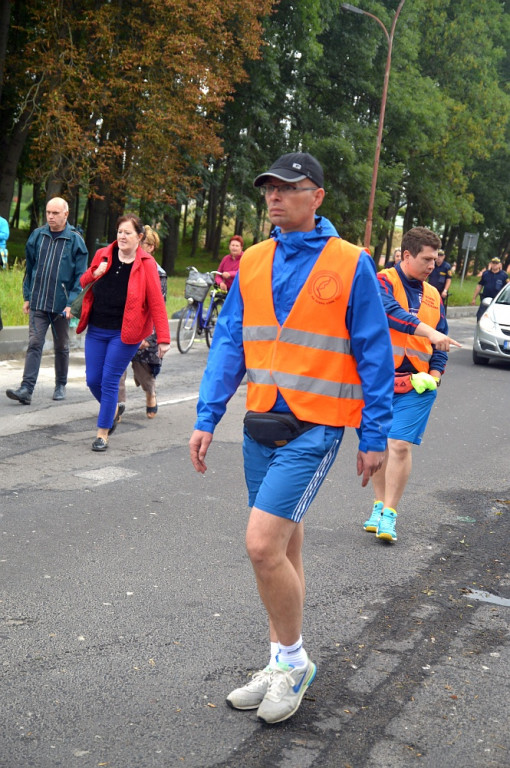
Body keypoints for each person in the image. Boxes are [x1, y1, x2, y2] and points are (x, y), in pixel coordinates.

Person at [189, 152, 394, 725]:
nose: (274, 197)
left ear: (317, 197)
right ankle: (280, 659)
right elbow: (231, 341)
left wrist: (372, 434)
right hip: (259, 423)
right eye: (268, 190)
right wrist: (207, 417)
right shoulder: (252, 261)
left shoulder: (350, 262)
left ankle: (294, 661)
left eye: (288, 188)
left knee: (261, 545)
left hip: (315, 426)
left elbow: (374, 354)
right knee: (285, 547)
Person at [363, 227, 461, 544]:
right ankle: (378, 506)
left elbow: (442, 340)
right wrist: (428, 333)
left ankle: (390, 514)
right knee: (377, 445)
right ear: (407, 255)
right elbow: (389, 313)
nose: (433, 265)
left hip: (418, 386)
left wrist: (435, 376)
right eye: (427, 259)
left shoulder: (433, 295)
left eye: (435, 259)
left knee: (399, 445)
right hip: (378, 383)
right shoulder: (382, 281)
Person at [77, 214, 170, 452]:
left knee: (109, 380)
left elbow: (157, 303)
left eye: (127, 233)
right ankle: (114, 409)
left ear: (139, 237)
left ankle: (102, 433)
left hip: (126, 333)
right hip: (97, 328)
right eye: (119, 232)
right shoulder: (103, 255)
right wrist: (95, 272)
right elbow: (83, 281)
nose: (122, 236)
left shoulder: (146, 265)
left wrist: (163, 338)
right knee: (92, 379)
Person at [6, 197, 88, 405]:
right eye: (48, 212)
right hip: (38, 302)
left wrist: (72, 303)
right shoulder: (37, 235)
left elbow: (81, 276)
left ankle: (60, 384)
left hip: (62, 305)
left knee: (61, 345)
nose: (50, 216)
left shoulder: (75, 240)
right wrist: (27, 297)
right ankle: (26, 388)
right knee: (35, 343)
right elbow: (30, 269)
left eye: (55, 213)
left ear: (66, 214)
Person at [117, 225, 167, 419]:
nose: (139, 246)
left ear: (151, 247)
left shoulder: (158, 272)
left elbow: (157, 307)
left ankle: (150, 393)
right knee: (117, 370)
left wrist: (148, 336)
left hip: (145, 330)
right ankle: (117, 407)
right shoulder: (124, 264)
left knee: (143, 373)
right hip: (121, 328)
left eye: (144, 243)